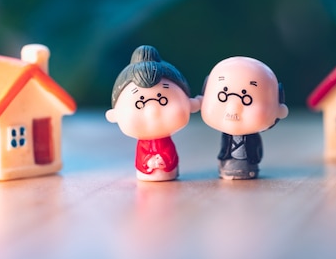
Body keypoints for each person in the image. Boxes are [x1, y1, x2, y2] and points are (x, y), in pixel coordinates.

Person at [105, 45, 200, 181]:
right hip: (146, 174)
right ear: (115, 114)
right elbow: (142, 156)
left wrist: (163, 160)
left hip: (169, 171)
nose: (152, 111)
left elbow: (169, 152)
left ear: (189, 103)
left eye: (163, 100)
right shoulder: (143, 143)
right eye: (140, 104)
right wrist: (149, 162)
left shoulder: (165, 139)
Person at [200, 57, 288, 179]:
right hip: (228, 163)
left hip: (249, 164)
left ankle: (247, 168)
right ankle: (226, 167)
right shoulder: (227, 134)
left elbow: (256, 148)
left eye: (246, 99)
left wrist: (254, 158)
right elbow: (224, 148)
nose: (234, 108)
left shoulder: (252, 135)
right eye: (223, 97)